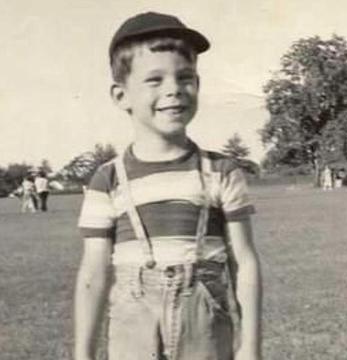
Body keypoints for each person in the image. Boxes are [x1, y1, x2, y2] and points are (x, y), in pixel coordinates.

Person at [75, 12, 262, 360]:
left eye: (185, 77)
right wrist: (83, 353)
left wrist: (250, 345)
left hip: (204, 328)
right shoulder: (107, 180)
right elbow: (93, 273)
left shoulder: (220, 171)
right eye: (155, 80)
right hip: (133, 331)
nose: (174, 89)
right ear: (121, 96)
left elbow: (245, 262)